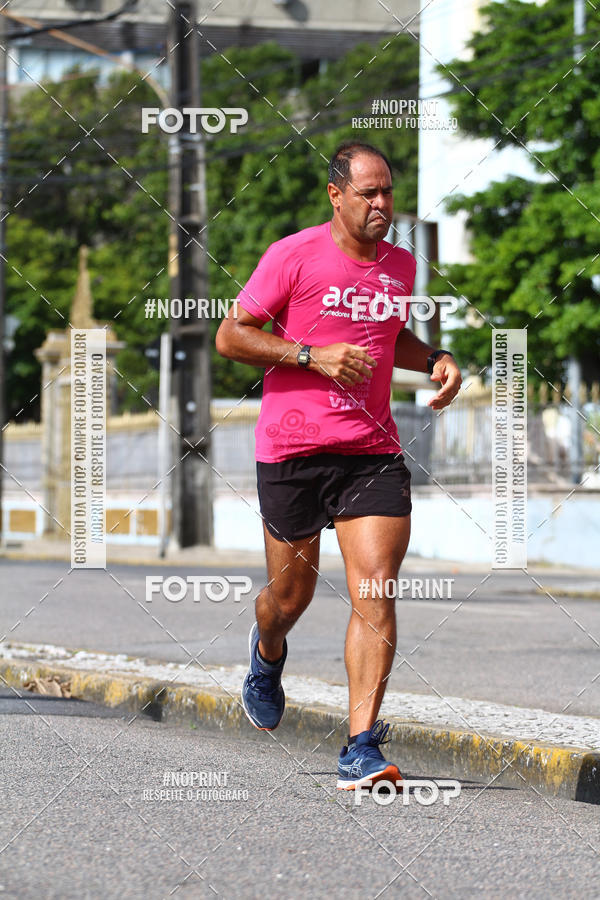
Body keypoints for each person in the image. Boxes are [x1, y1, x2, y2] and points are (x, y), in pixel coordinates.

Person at [215, 140, 462, 791]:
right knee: (288, 599)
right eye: (369, 193)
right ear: (337, 195)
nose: (383, 204)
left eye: (388, 192)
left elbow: (389, 335)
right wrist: (309, 355)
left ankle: (360, 745)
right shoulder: (292, 256)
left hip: (371, 454)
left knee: (375, 588)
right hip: (292, 452)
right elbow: (231, 334)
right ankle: (267, 655)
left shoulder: (400, 265)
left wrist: (433, 357)